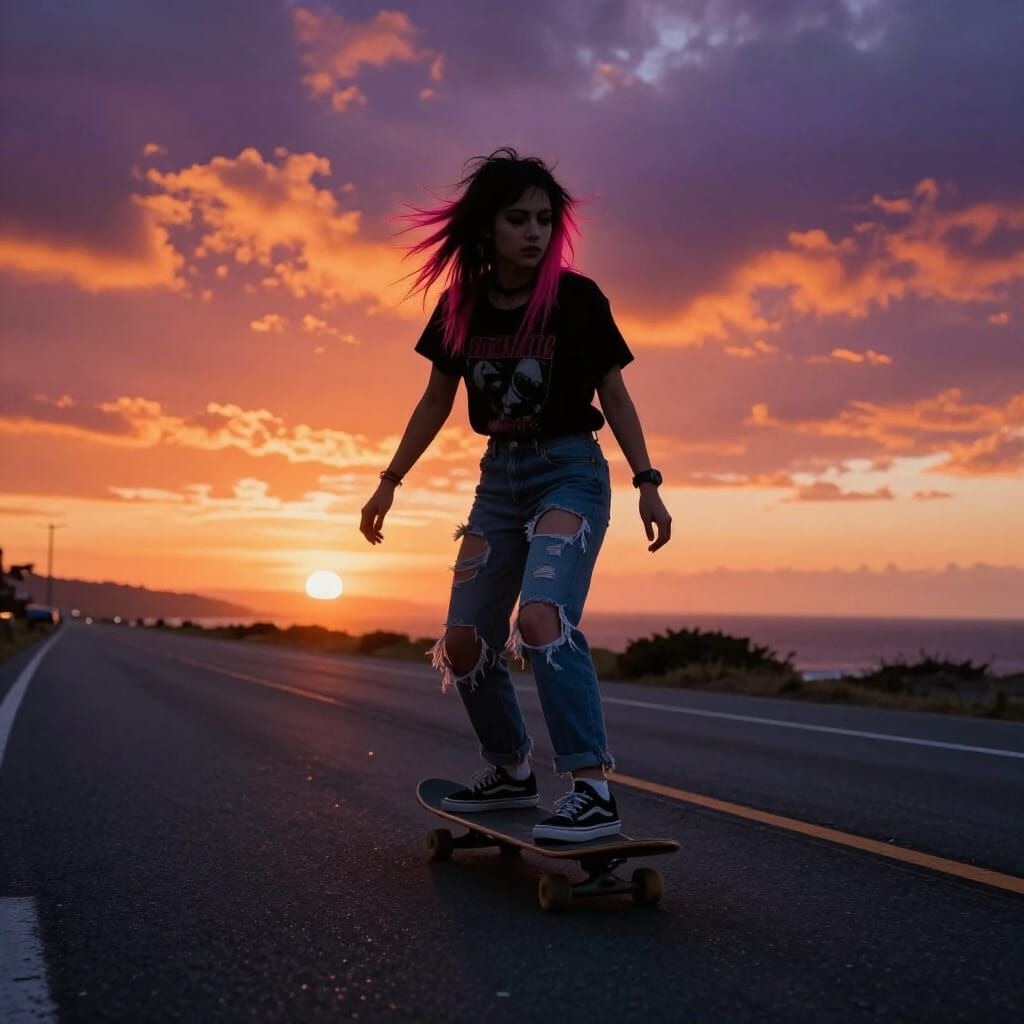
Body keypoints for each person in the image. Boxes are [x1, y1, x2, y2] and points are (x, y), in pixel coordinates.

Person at [359, 148, 671, 842]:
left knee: (541, 619)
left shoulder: (577, 300)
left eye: (543, 220)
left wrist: (647, 482)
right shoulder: (459, 307)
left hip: (570, 472)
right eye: (518, 219)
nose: (534, 232)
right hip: (498, 482)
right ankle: (510, 773)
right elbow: (435, 401)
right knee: (465, 641)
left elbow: (613, 392)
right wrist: (387, 483)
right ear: (487, 228)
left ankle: (591, 790)